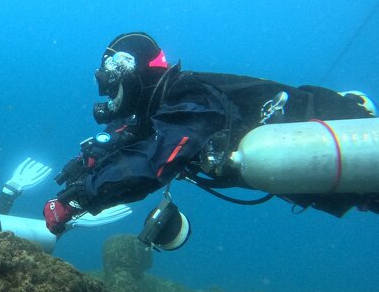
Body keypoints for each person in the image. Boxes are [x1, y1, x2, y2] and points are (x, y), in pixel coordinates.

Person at [43, 32, 379, 243]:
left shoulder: (188, 92)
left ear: (132, 76)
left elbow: (155, 160)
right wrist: (92, 161)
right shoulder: (169, 105)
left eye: (111, 85)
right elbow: (137, 138)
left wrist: (79, 198)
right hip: (349, 182)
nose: (109, 96)